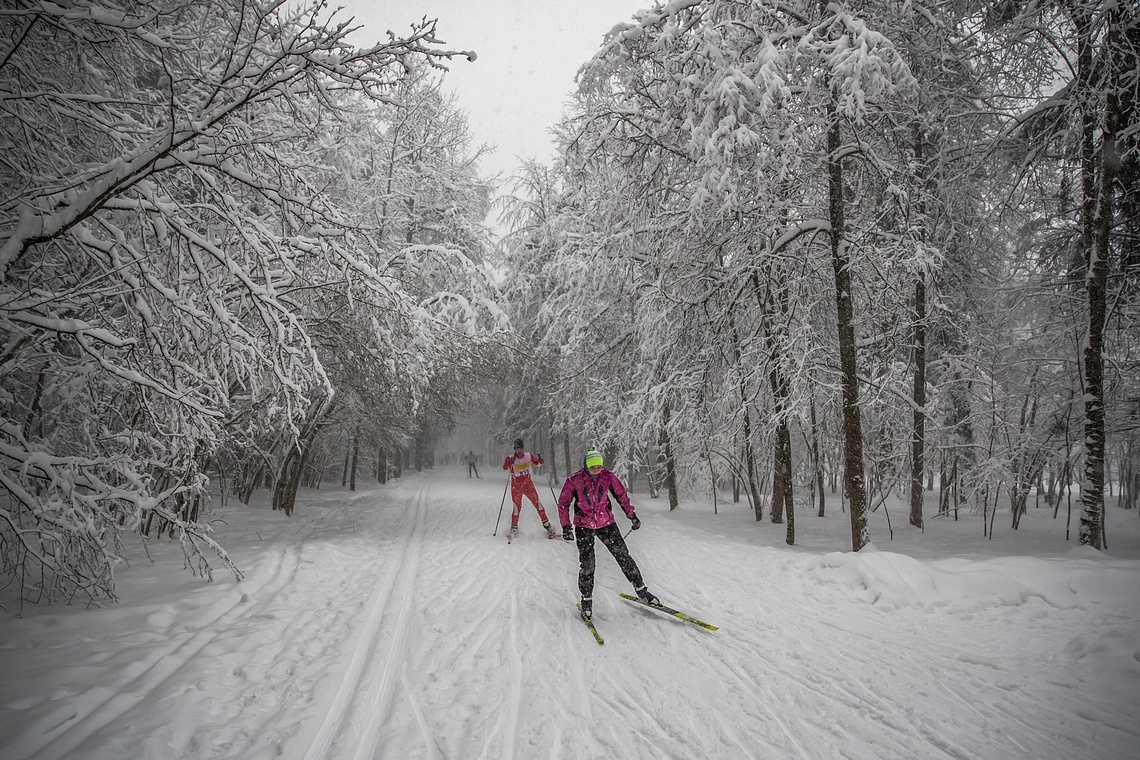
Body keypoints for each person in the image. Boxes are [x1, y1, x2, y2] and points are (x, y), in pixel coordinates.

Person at [557, 448, 659, 620]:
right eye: (593, 467)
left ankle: (642, 590)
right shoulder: (575, 480)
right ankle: (586, 601)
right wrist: (566, 526)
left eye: (599, 467)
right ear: (586, 465)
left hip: (607, 523)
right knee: (588, 565)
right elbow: (563, 503)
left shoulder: (608, 476)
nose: (596, 470)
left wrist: (631, 515)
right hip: (584, 526)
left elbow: (621, 496)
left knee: (623, 556)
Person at [502, 438, 555, 539]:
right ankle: (514, 528)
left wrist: (540, 461)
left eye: (520, 448)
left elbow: (538, 464)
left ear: (522, 448)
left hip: (528, 486)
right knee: (517, 508)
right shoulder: (510, 458)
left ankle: (547, 525)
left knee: (538, 504)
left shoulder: (528, 456)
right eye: (516, 449)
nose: (518, 451)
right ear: (514, 449)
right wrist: (509, 462)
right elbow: (504, 468)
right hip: (516, 487)